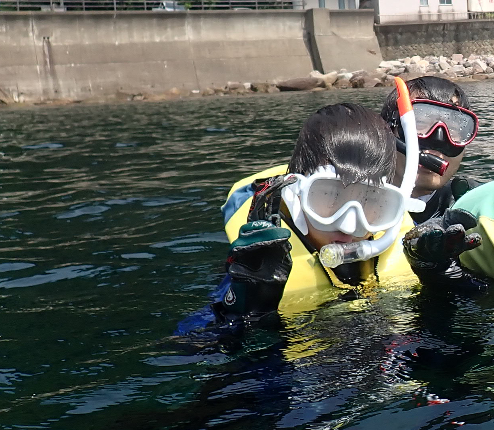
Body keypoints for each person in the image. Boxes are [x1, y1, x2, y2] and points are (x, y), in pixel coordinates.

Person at [182, 84, 424, 340]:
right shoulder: (258, 264)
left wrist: (442, 276)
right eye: (330, 197)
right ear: (296, 194)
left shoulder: (405, 247)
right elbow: (190, 345)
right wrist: (245, 312)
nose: (349, 225)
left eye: (369, 201)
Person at [382, 76, 479, 222]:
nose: (438, 139)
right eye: (419, 123)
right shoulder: (350, 198)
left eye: (453, 129)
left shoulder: (472, 205)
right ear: (386, 130)